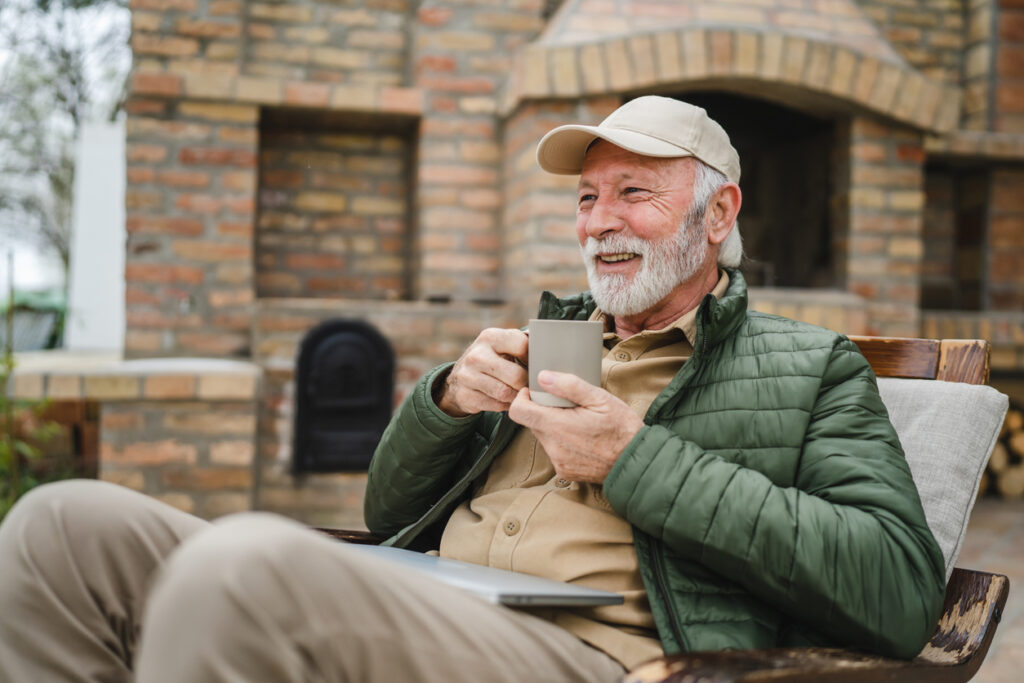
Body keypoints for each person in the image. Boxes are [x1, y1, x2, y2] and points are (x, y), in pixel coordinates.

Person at [0, 96, 944, 683]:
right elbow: (385, 509)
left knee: (242, 568)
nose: (599, 223)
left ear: (718, 213)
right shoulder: (552, 336)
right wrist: (445, 402)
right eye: (586, 198)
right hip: (430, 602)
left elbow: (900, 592)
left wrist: (635, 459)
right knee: (61, 530)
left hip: (594, 654)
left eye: (633, 193)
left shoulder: (811, 367)